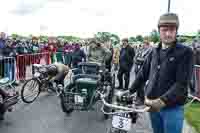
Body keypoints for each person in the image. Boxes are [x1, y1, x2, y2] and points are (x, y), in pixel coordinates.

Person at [129, 13, 193, 133]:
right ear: (159, 31)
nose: (168, 33)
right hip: (153, 106)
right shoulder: (154, 51)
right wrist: (130, 90)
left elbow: (182, 84)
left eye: (172, 30)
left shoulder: (185, 52)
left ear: (176, 31)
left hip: (172, 108)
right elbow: (143, 74)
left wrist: (161, 101)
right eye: (164, 30)